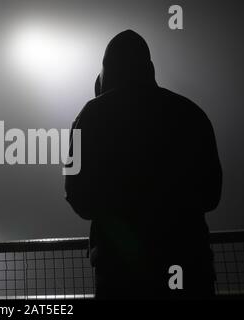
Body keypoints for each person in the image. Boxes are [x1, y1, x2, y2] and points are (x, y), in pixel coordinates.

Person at [65, 30, 222, 299]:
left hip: (120, 274)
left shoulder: (91, 116)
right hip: (189, 265)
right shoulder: (191, 113)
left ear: (106, 73)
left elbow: (77, 195)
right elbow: (211, 195)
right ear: (149, 68)